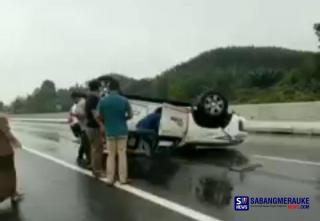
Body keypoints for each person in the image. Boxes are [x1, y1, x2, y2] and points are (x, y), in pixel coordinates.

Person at [98, 80, 132, 185]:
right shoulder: (124, 100)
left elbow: (99, 116)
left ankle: (110, 179)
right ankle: (122, 179)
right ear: (118, 88)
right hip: (122, 130)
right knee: (122, 154)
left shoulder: (103, 101)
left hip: (110, 131)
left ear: (109, 89)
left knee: (111, 155)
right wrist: (123, 119)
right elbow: (130, 115)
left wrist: (105, 123)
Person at [0, 114, 23, 205]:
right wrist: (16, 142)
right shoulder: (1, 119)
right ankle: (12, 194)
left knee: (2, 173)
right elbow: (8, 134)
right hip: (4, 152)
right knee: (10, 174)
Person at [85, 80, 104, 178]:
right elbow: (95, 113)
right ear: (97, 88)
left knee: (94, 149)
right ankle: (97, 171)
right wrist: (101, 124)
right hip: (94, 126)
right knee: (98, 149)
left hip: (89, 126)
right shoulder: (94, 99)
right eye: (100, 87)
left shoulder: (89, 98)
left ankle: (94, 167)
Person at [71, 91, 90, 167]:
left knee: (85, 143)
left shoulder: (80, 104)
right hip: (82, 126)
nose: (73, 101)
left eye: (73, 99)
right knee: (84, 142)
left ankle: (87, 159)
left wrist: (76, 115)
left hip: (83, 126)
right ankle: (82, 157)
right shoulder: (79, 104)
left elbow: (82, 115)